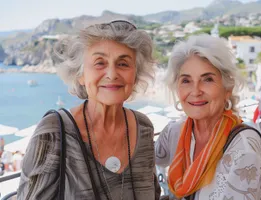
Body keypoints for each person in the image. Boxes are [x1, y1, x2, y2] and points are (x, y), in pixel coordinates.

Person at [18, 20, 160, 200]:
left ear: (135, 73)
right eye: (100, 62)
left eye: (123, 64)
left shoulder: (143, 127)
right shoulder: (54, 132)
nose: (112, 74)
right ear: (81, 75)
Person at [155, 35, 261, 200]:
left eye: (208, 79)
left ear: (227, 89)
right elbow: (144, 159)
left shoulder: (244, 147)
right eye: (186, 80)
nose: (195, 91)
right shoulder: (174, 132)